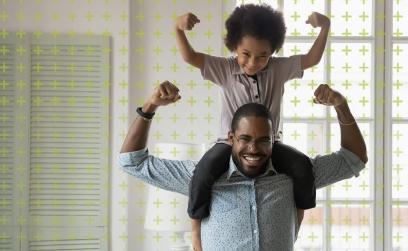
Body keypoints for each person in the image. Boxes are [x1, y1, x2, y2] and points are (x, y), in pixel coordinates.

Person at [119, 81, 368, 251]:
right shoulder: (201, 177)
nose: (253, 149)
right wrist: (150, 107)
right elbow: (133, 162)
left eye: (263, 141)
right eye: (245, 139)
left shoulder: (294, 175)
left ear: (273, 141)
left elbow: (354, 159)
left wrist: (341, 105)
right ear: (231, 139)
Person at [174, 3, 331, 242]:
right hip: (229, 144)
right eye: (245, 54)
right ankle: (195, 229)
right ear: (234, 46)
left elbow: (311, 58)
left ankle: (296, 222)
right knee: (203, 172)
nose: (252, 63)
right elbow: (190, 57)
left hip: (270, 144)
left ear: (273, 52)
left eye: (262, 56)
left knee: (302, 167)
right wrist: (178, 29)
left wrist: (325, 27)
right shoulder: (224, 69)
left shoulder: (279, 69)